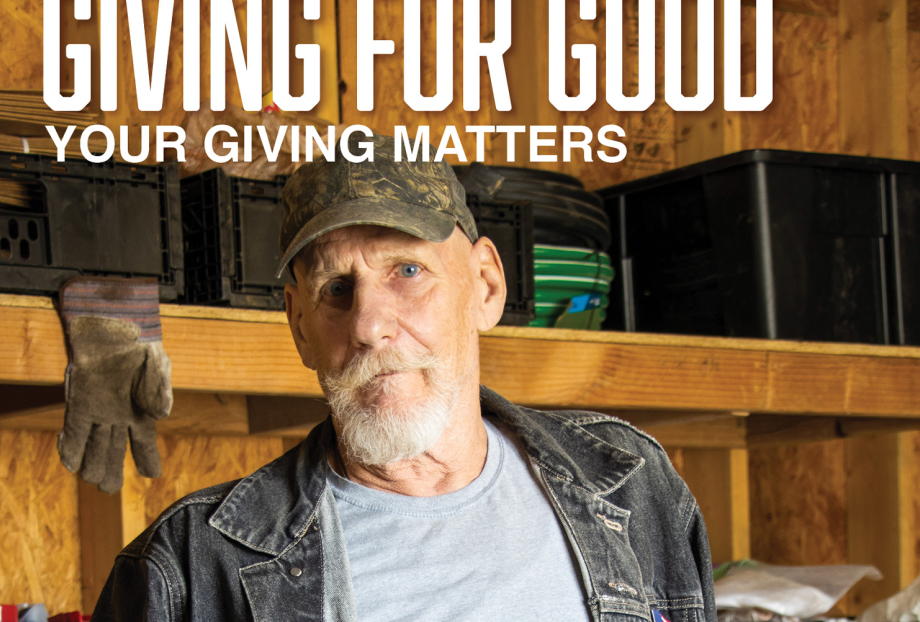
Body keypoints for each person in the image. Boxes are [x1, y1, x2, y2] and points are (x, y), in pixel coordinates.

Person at [93, 133, 717, 622]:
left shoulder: (632, 485)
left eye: (407, 272)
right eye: (336, 288)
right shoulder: (192, 563)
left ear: (486, 286)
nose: (368, 324)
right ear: (300, 325)